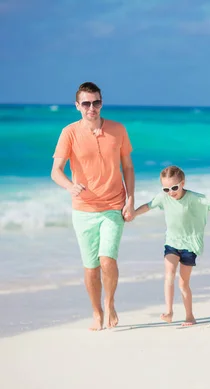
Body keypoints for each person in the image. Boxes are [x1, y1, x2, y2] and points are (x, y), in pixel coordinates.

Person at [51, 81, 135, 331]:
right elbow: (56, 171)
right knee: (91, 267)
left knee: (107, 260)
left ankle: (109, 304)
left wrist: (130, 199)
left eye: (96, 102)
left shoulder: (117, 129)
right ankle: (96, 312)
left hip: (113, 205)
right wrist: (69, 186)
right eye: (86, 103)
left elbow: (128, 167)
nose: (91, 107)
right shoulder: (69, 133)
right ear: (77, 106)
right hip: (84, 209)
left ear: (101, 103)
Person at [134, 166, 210, 326]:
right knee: (169, 274)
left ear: (182, 183)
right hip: (172, 242)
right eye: (166, 189)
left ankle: (189, 316)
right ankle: (169, 311)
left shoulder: (193, 198)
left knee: (183, 283)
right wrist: (134, 213)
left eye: (174, 187)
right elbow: (148, 205)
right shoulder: (163, 197)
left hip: (190, 245)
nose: (171, 192)